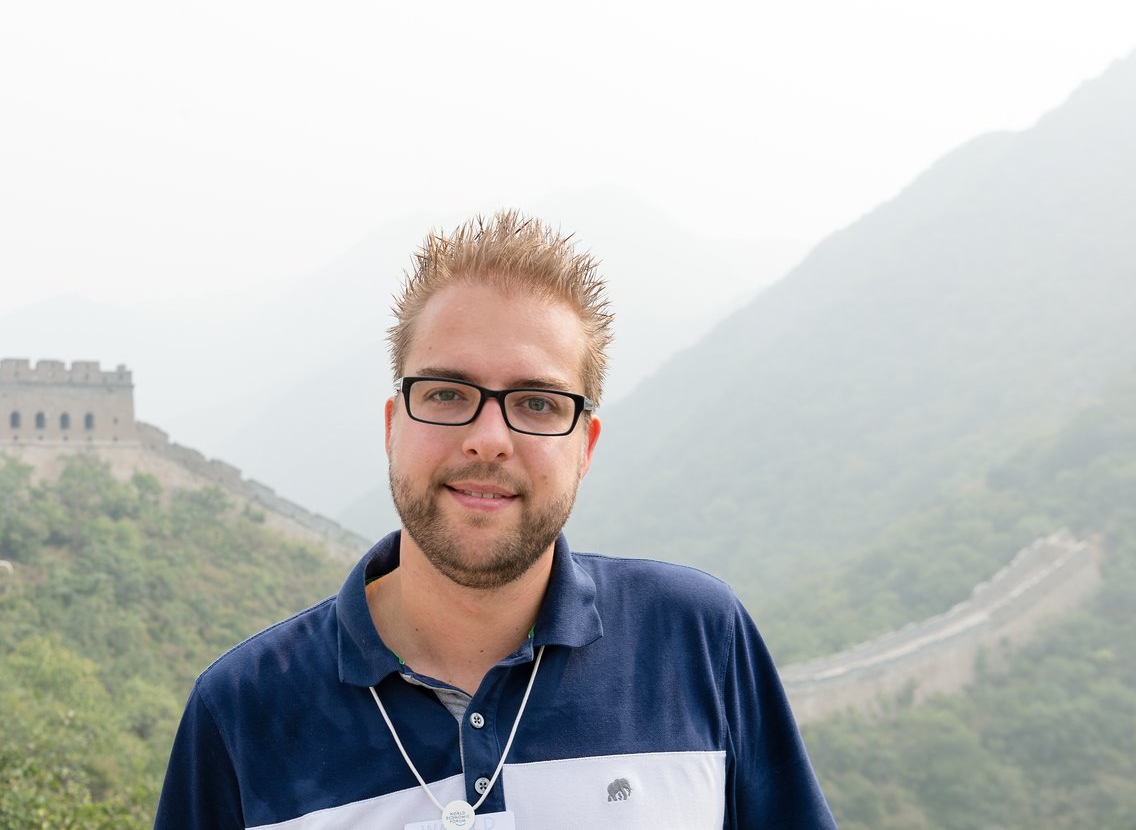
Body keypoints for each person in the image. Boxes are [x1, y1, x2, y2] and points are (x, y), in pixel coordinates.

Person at [154, 211, 836, 829]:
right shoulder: (243, 713)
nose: (488, 438)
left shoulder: (694, 644)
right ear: (394, 426)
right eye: (448, 393)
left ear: (585, 446)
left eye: (537, 403)